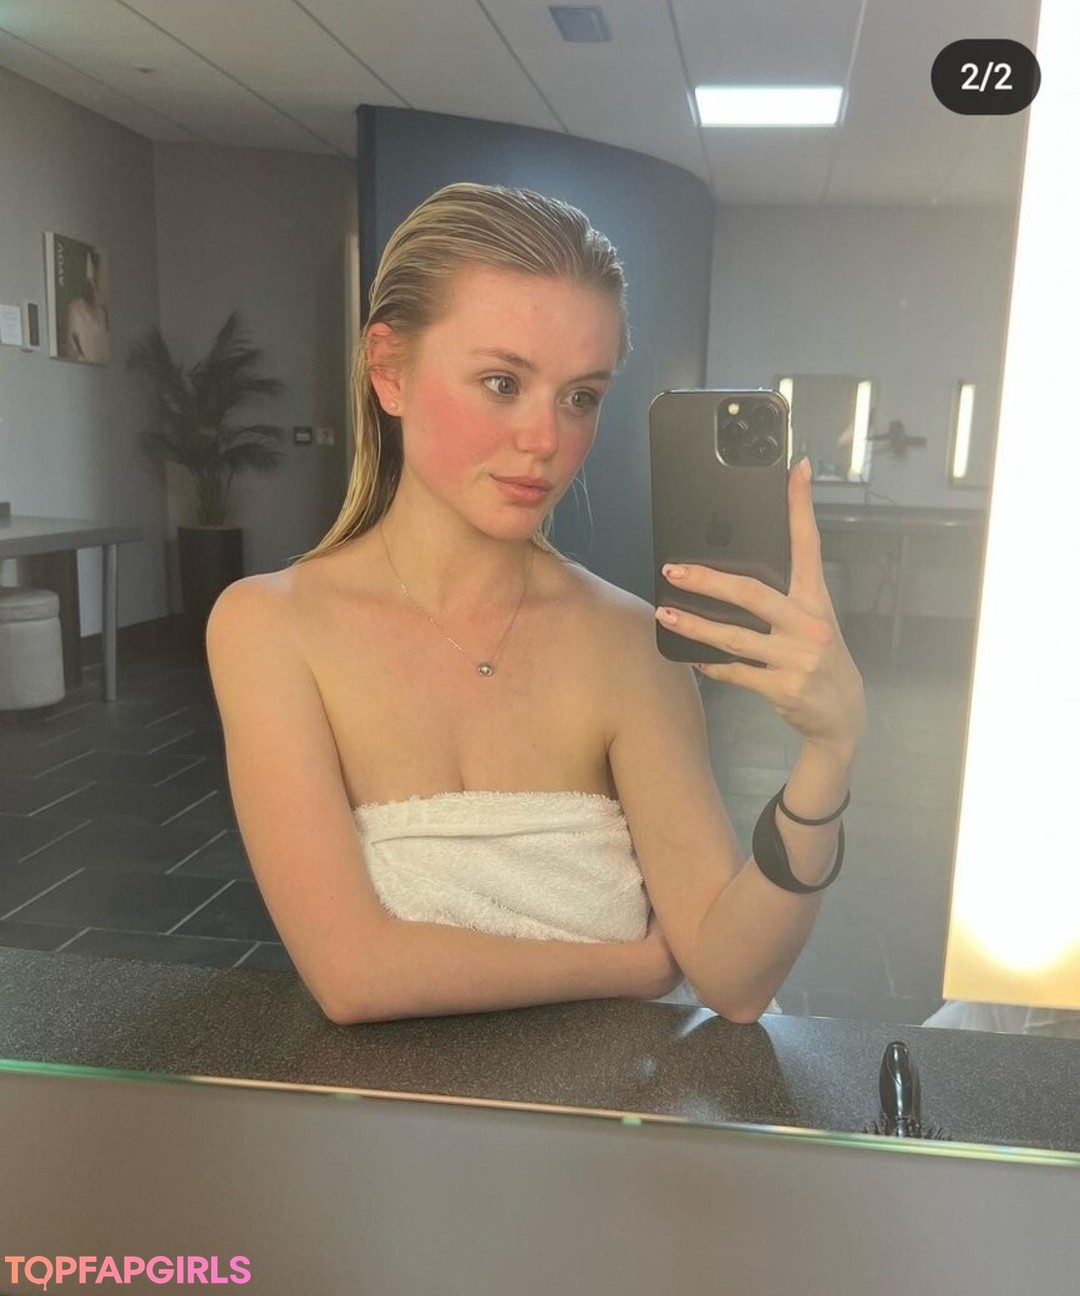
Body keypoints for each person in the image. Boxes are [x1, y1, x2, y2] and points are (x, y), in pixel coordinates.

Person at [205, 182, 866, 1026]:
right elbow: (353, 974)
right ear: (389, 369)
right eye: (501, 382)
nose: (546, 439)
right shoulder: (270, 626)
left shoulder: (627, 641)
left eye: (580, 396)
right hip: (394, 1112)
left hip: (613, 1106)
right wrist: (632, 966)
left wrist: (829, 754)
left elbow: (733, 981)